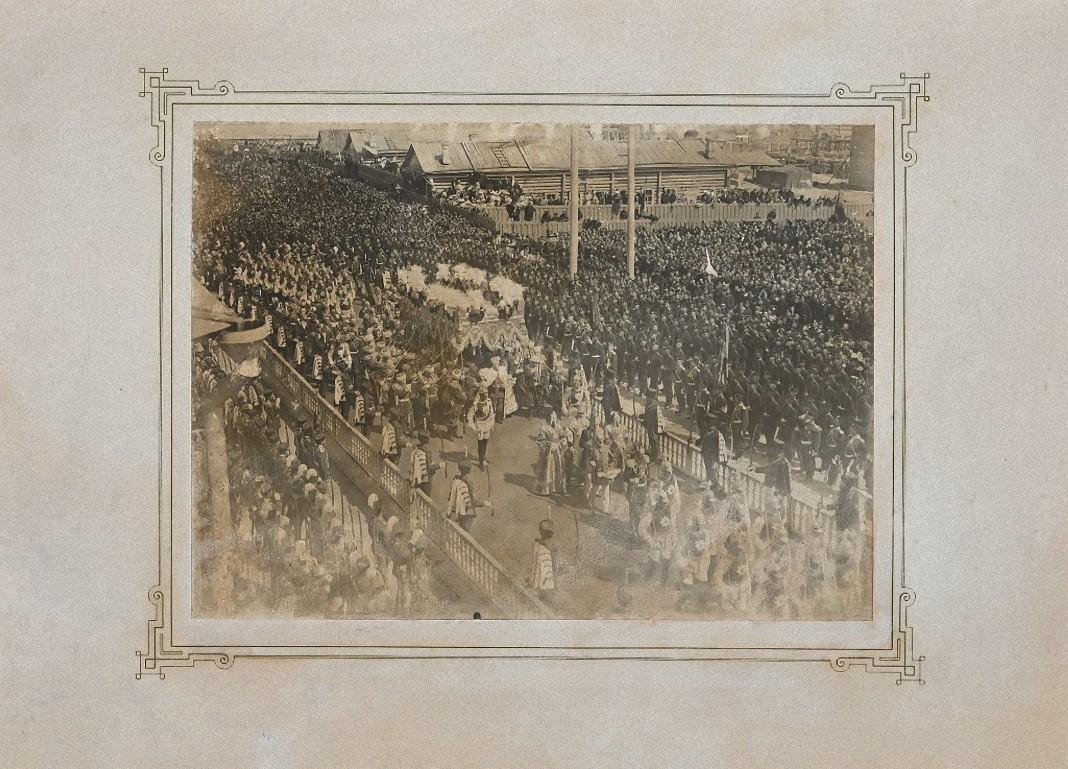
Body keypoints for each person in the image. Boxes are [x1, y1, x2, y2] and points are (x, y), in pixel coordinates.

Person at [446, 462, 485, 532]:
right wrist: (484, 503)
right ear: (469, 471)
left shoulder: (456, 479)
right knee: (464, 530)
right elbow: (470, 502)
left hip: (453, 509)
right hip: (461, 512)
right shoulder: (467, 484)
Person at [526, 519, 557, 605]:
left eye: (541, 530)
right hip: (540, 573)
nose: (540, 531)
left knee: (544, 594)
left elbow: (549, 548)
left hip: (546, 574)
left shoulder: (549, 546)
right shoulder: (539, 544)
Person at [467, 385, 496, 469]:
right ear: (480, 394)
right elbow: (469, 416)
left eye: (487, 393)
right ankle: (481, 462)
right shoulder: (475, 405)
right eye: (484, 393)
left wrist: (492, 425)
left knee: (485, 442)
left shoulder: (489, 402)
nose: (486, 395)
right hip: (479, 426)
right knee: (480, 444)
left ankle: (483, 458)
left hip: (487, 425)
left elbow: (491, 414)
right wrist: (474, 428)